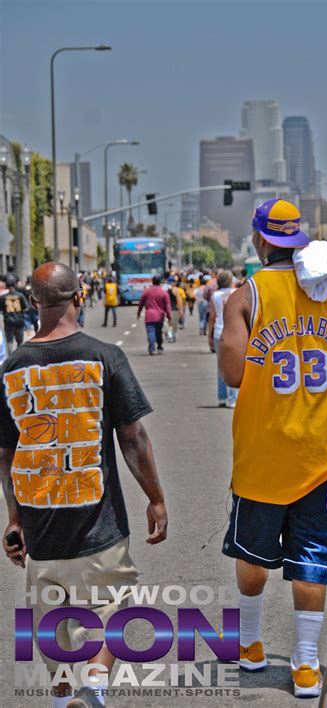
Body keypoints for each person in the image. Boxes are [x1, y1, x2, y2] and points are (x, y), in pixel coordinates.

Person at [218, 199, 327, 698]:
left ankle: (249, 644)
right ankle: (306, 666)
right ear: (301, 239)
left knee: (251, 552)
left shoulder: (246, 296)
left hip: (265, 455)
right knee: (313, 561)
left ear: (260, 240)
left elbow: (232, 373)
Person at [0, 262, 168, 708]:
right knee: (110, 602)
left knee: (51, 611)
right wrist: (155, 498)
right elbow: (132, 438)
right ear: (80, 297)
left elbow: (5, 454)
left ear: (33, 304)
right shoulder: (104, 357)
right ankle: (94, 678)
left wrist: (14, 520)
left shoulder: (11, 368)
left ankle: (61, 689)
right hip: (98, 520)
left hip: (39, 523)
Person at [208, 270, 238, 408]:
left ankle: (221, 397)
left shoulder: (215, 295)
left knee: (220, 366)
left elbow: (212, 317)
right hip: (234, 332)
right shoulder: (236, 293)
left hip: (218, 332)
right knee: (234, 365)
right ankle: (233, 398)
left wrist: (209, 335)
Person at [137, 275, 172, 355]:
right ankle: (159, 346)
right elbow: (167, 306)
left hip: (149, 315)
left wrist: (139, 313)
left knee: (151, 332)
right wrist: (169, 317)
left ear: (152, 281)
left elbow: (141, 303)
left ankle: (152, 347)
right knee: (159, 332)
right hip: (160, 316)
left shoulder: (147, 291)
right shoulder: (163, 293)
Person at [0, 274, 29, 352]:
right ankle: (19, 357)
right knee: (19, 341)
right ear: (15, 285)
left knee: (9, 341)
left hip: (8, 320)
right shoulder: (20, 295)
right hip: (19, 320)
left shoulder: (3, 297)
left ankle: (10, 357)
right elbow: (26, 307)